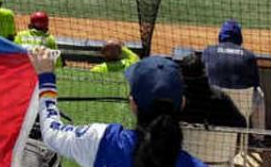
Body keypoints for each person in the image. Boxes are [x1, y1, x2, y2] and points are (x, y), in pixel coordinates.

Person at [30, 49, 206, 167]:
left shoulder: (102, 141)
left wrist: (46, 79)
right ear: (182, 104)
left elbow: (52, 133)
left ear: (132, 104)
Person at [202, 19, 266, 141]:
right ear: (239, 37)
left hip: (214, 105)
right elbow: (255, 84)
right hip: (241, 109)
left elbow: (203, 79)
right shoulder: (249, 56)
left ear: (221, 35)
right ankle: (259, 140)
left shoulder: (208, 51)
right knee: (260, 95)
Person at [179, 53, 246, 128]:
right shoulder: (219, 97)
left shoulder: (178, 98)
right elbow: (242, 123)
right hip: (219, 137)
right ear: (204, 73)